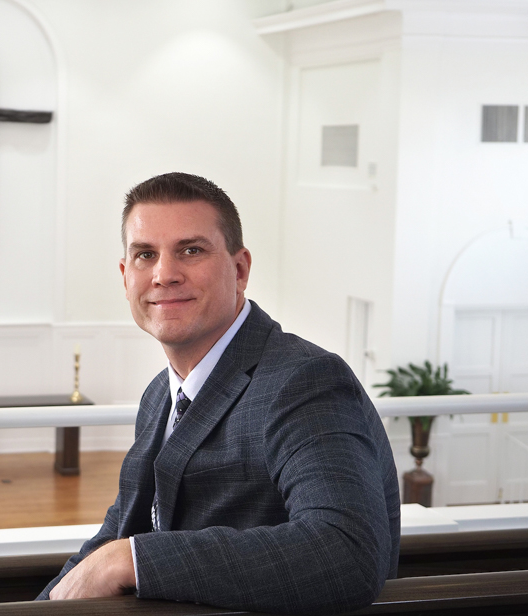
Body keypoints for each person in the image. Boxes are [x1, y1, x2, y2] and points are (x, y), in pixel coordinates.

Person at [38, 172, 401, 614]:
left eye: (191, 251)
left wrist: (131, 561)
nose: (164, 274)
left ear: (241, 269)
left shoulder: (304, 381)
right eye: (145, 255)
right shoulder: (161, 395)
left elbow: (346, 551)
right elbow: (120, 528)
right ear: (125, 275)